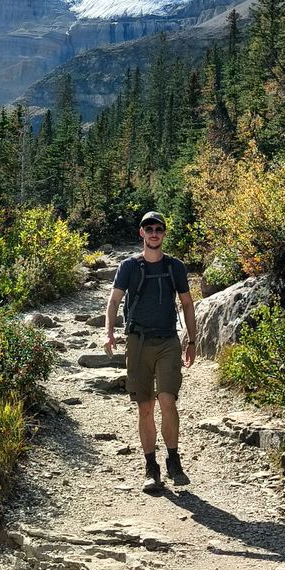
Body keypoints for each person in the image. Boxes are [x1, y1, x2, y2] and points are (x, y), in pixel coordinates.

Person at [105, 210, 197, 493]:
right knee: (145, 407)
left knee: (167, 400)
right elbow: (114, 301)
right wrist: (108, 332)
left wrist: (192, 340)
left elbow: (187, 303)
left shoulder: (175, 267)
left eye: (158, 229)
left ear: (164, 233)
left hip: (168, 340)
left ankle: (174, 461)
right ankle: (151, 468)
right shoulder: (129, 267)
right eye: (149, 229)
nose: (154, 233)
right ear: (141, 233)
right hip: (138, 341)